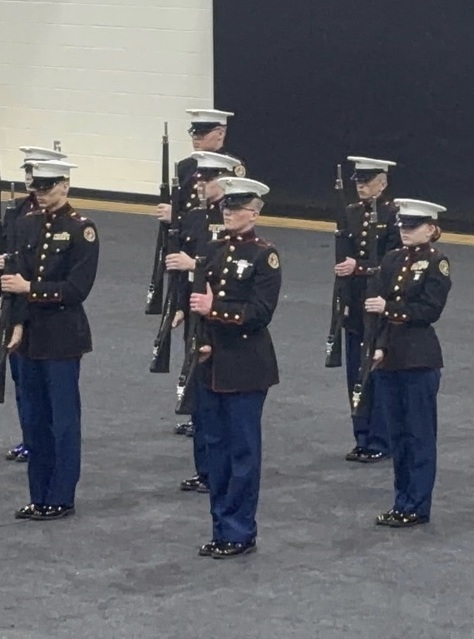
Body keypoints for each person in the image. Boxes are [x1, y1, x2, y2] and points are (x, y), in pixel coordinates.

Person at [0, 159, 99, 521]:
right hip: (29, 336)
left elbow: (76, 289)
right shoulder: (26, 224)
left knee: (63, 419)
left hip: (61, 336)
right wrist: (16, 324)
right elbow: (15, 284)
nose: (41, 194)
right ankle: (38, 493)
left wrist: (31, 289)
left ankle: (61, 495)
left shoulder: (81, 230)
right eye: (37, 188)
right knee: (34, 419)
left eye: (47, 187)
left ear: (65, 185)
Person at [189, 177, 281, 558]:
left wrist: (216, 311)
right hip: (212, 362)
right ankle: (220, 526)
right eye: (226, 208)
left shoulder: (264, 256)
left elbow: (260, 313)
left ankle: (240, 530)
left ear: (255, 213)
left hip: (245, 365)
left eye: (237, 209)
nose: (229, 214)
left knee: (242, 452)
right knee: (215, 449)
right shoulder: (211, 250)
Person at [365, 199, 451, 528]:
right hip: (390, 357)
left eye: (413, 226)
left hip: (418, 356)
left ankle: (417, 503)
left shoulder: (436, 262)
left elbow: (429, 310)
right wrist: (378, 346)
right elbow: (377, 306)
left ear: (430, 229)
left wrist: (390, 308)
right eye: (402, 225)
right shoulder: (392, 259)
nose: (405, 231)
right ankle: (402, 500)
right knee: (398, 435)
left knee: (419, 435)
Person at [157, 108, 243, 437]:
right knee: (191, 338)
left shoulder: (232, 169)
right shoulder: (185, 167)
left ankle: (207, 410)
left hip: (211, 266)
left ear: (219, 134)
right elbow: (186, 218)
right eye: (194, 131)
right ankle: (195, 407)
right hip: (191, 259)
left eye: (203, 132)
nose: (196, 137)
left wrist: (177, 216)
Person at [164, 151, 244, 494]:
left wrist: (193, 265)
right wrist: (180, 305)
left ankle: (223, 468)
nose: (202, 184)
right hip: (196, 311)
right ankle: (204, 469)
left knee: (221, 395)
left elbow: (233, 272)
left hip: (223, 316)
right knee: (198, 395)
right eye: (200, 178)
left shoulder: (235, 223)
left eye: (209, 178)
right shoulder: (195, 217)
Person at [0, 145, 68, 463]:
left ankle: (42, 441)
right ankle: (30, 437)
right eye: (29, 174)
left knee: (51, 396)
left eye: (38, 177)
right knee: (22, 381)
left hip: (48, 314)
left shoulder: (73, 225)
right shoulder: (21, 213)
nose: (31, 182)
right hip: (18, 307)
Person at [334, 156, 401, 463]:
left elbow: (393, 262)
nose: (361, 186)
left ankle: (381, 436)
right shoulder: (350, 213)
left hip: (379, 300)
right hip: (355, 301)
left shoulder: (394, 215)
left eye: (368, 181)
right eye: (358, 181)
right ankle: (361, 433)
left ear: (383, 183)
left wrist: (359, 267)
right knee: (355, 372)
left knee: (376, 370)